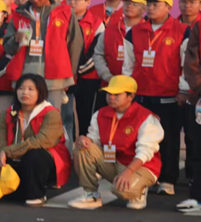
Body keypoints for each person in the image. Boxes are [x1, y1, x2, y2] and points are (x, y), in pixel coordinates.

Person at [122, 0, 189, 196]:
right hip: (141, 96)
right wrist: (126, 91)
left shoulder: (182, 31)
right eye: (149, 4)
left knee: (169, 139)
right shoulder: (135, 31)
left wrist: (183, 89)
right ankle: (146, 176)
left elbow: (186, 64)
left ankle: (167, 180)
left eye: (156, 4)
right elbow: (128, 64)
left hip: (169, 95)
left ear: (168, 7)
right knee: (140, 139)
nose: (150, 8)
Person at [68, 75, 162, 210]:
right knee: (82, 148)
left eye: (116, 94)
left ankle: (139, 189)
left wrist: (128, 172)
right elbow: (94, 139)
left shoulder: (145, 117)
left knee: (121, 191)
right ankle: (91, 195)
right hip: (114, 162)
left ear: (131, 96)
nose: (111, 97)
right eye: (109, 93)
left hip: (141, 166)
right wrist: (85, 140)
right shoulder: (100, 114)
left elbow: (145, 151)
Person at [0, 74, 71, 207]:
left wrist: (9, 151)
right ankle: (24, 189)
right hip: (15, 162)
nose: (25, 92)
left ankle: (37, 194)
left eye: (31, 89)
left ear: (40, 92)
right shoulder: (7, 114)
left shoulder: (51, 113)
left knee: (34, 155)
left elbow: (43, 141)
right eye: (21, 88)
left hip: (42, 162)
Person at [3, 0, 82, 111]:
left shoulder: (65, 12)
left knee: (51, 115)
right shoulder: (19, 14)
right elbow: (8, 48)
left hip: (55, 75)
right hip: (25, 74)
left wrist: (71, 73)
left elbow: (75, 45)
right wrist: (15, 39)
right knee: (26, 114)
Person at [64, 0, 106, 137]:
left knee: (86, 117)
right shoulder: (60, 20)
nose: (72, 2)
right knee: (64, 117)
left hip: (88, 78)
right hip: (62, 77)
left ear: (88, 2)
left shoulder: (97, 23)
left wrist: (73, 72)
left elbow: (96, 54)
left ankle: (85, 148)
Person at [94, 0, 147, 84]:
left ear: (144, 9)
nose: (129, 6)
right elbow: (98, 54)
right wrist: (107, 76)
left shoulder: (148, 32)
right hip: (111, 85)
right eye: (127, 3)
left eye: (134, 4)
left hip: (139, 86)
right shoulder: (110, 30)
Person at [181, 8, 201, 213]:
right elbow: (191, 61)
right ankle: (197, 197)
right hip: (200, 96)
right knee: (198, 149)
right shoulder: (199, 27)